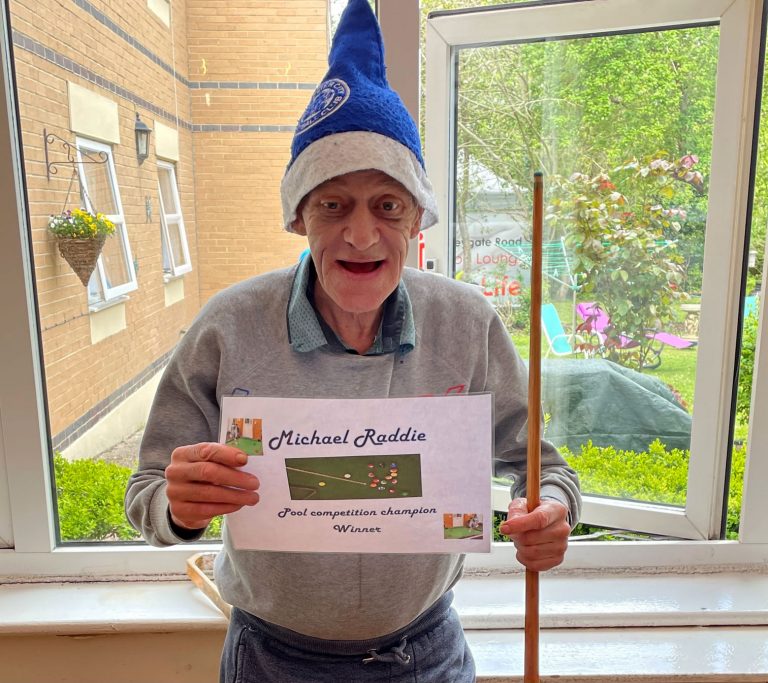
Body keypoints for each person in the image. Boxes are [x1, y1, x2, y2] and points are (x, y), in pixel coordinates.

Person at [125, 2, 581, 681]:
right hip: (271, 660)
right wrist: (179, 508)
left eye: (387, 206)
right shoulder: (227, 326)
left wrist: (552, 511)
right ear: (298, 215)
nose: (362, 235)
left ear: (417, 218)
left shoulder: (467, 323)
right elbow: (147, 493)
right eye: (333, 203)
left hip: (426, 653)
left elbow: (545, 470)